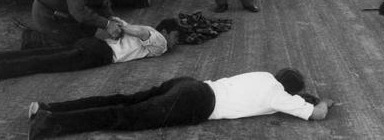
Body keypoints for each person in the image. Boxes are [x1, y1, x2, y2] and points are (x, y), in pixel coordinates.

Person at [27, 68, 334, 139]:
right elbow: (317, 114)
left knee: (123, 100)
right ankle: (49, 124)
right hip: (197, 103)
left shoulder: (264, 75)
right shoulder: (278, 96)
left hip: (191, 84)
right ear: (291, 91)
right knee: (126, 116)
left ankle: (49, 107)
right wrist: (325, 103)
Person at [0, 18, 181, 87]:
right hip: (99, 54)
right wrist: (125, 28)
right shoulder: (159, 41)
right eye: (176, 37)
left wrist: (120, 25)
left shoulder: (150, 34)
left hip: (93, 44)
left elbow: (122, 23)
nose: (176, 43)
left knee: (38, 56)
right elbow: (140, 31)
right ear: (167, 32)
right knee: (41, 63)